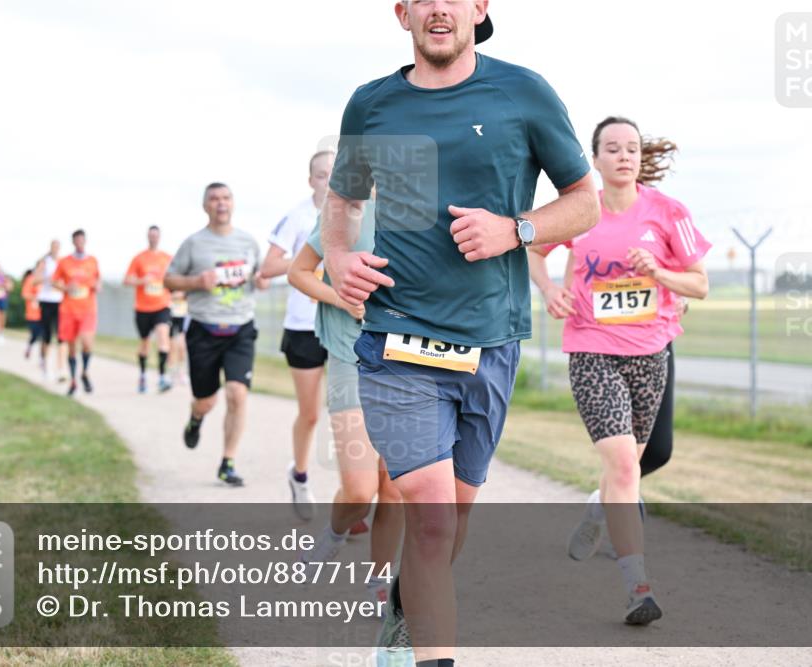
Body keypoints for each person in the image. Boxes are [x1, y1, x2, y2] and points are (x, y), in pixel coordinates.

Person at [321, 3, 599, 663]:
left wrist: (515, 228)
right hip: (397, 338)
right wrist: (337, 258)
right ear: (403, 13)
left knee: (453, 522)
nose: (439, 7)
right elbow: (344, 201)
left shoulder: (522, 92)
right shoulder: (372, 105)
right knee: (433, 516)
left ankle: (404, 609)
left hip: (491, 342)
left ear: (479, 8)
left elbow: (584, 200)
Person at [528, 116, 711, 625]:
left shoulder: (668, 213)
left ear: (639, 157)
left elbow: (699, 286)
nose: (624, 156)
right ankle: (638, 588)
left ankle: (596, 507)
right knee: (626, 468)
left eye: (631, 148)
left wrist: (659, 272)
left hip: (651, 352)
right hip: (591, 348)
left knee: (627, 466)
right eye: (613, 148)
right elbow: (534, 252)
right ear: (597, 158)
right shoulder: (580, 211)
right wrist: (549, 289)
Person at [288, 195, 404, 610]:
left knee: (394, 486)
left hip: (409, 360)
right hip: (350, 353)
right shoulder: (346, 211)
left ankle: (379, 582)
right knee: (359, 489)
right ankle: (333, 536)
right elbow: (298, 272)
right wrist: (341, 298)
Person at [165, 183, 269, 487]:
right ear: (205, 206)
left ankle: (227, 462)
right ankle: (196, 419)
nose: (220, 203)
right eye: (214, 199)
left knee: (237, 393)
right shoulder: (194, 244)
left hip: (241, 328)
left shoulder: (248, 243)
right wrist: (198, 281)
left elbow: (260, 275)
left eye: (225, 198)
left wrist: (262, 281)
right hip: (204, 330)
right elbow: (168, 280)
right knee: (206, 401)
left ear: (233, 204)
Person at [259, 150, 335, 520]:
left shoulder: (355, 216)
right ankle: (300, 476)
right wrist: (310, 258)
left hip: (341, 326)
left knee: (350, 417)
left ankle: (351, 498)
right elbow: (269, 266)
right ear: (311, 181)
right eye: (322, 175)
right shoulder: (298, 216)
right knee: (310, 415)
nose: (329, 180)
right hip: (304, 327)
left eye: (335, 174)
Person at [124, 225, 175, 394]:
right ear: (148, 237)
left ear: (159, 237)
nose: (153, 238)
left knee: (163, 336)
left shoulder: (167, 258)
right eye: (151, 235)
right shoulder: (139, 258)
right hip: (143, 307)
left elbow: (175, 278)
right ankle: (143, 375)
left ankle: (162, 377)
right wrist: (141, 281)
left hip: (162, 305)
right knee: (144, 343)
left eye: (156, 235)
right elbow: (127, 280)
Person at [52, 229, 101, 396]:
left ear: (85, 241)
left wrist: (97, 286)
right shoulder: (65, 262)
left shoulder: (93, 261)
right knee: (71, 347)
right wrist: (66, 287)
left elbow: (97, 280)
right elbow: (54, 282)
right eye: (77, 240)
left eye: (82, 240)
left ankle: (85, 373)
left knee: (87, 343)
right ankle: (73, 381)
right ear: (73, 242)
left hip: (88, 308)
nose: (80, 243)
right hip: (69, 309)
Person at [35, 240, 67, 383]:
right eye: (54, 246)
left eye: (58, 247)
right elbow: (35, 280)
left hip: (60, 301)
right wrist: (49, 278)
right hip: (46, 301)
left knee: (62, 336)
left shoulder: (63, 262)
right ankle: (45, 365)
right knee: (47, 336)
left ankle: (61, 370)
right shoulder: (44, 261)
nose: (56, 249)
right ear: (50, 248)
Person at [168, 290, 190, 385]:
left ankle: (182, 373)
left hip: (183, 317)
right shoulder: (171, 282)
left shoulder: (186, 283)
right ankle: (171, 373)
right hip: (171, 317)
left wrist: (183, 294)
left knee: (182, 347)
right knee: (171, 348)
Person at [21, 268, 42, 359]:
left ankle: (42, 358)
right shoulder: (30, 279)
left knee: (44, 336)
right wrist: (37, 298)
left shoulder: (49, 279)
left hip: (45, 312)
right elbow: (25, 294)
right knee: (35, 334)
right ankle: (29, 347)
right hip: (33, 313)